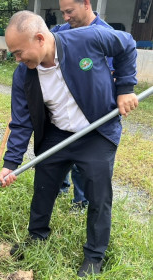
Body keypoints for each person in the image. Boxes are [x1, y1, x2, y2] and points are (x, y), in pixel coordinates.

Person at [0, 11, 138, 277]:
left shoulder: (87, 39)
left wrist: (126, 88)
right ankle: (37, 237)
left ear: (40, 39)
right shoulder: (24, 75)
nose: (16, 59)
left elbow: (128, 44)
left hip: (96, 131)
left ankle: (94, 256)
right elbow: (21, 121)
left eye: (18, 52)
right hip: (57, 134)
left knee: (98, 193)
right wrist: (10, 163)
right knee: (43, 186)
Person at [52, 0, 115, 207]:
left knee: (83, 160)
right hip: (63, 110)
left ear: (86, 4)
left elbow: (114, 76)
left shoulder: (106, 34)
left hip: (92, 113)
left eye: (69, 11)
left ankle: (81, 201)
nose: (66, 18)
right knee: (58, 151)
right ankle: (60, 187)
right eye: (63, 13)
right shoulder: (60, 32)